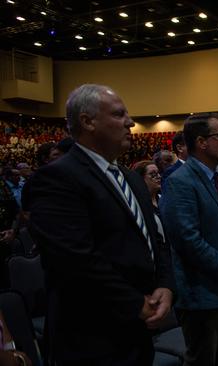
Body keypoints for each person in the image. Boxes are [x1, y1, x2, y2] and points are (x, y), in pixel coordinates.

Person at [28, 84, 174, 365]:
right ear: (87, 121)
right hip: (92, 335)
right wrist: (135, 303)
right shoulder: (56, 179)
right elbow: (75, 259)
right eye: (120, 114)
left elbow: (155, 241)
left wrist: (166, 287)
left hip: (140, 329)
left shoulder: (131, 178)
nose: (131, 122)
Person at [161, 114, 218, 366]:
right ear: (202, 142)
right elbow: (187, 240)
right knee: (203, 360)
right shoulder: (179, 182)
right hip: (202, 293)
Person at [132, 160, 165, 244]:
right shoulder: (137, 205)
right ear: (140, 178)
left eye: (158, 173)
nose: (158, 176)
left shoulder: (164, 199)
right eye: (153, 174)